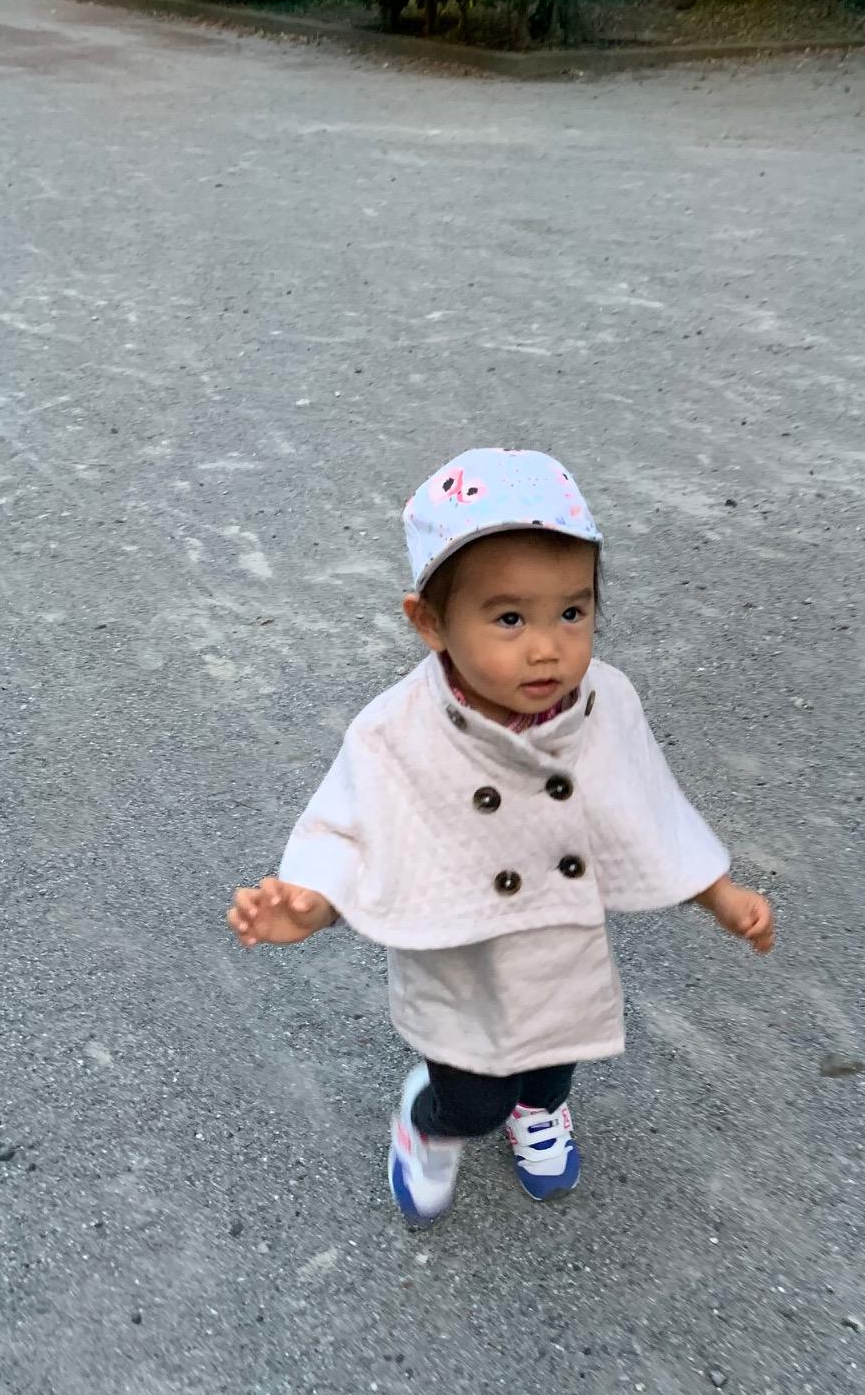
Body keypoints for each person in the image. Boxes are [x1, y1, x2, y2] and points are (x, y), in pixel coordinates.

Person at [228, 449, 774, 1226]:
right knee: (475, 1095)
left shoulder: (604, 701)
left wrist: (717, 893)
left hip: (555, 938)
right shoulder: (395, 731)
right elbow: (351, 825)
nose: (547, 647)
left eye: (572, 613)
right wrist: (311, 904)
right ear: (430, 623)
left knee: (553, 1062)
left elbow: (647, 805)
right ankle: (432, 1123)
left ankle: (540, 1111)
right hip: (459, 949)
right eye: (510, 618)